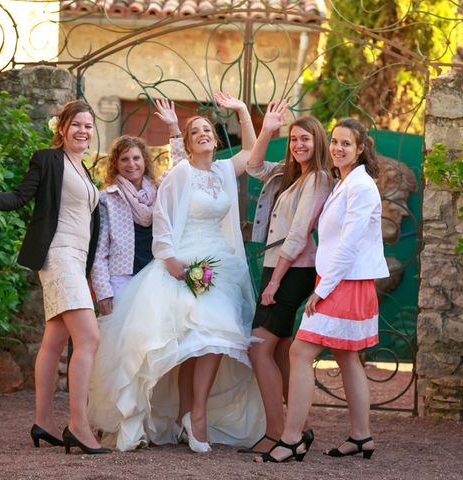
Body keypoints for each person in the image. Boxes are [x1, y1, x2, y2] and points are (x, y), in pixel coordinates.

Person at [87, 92, 265, 453]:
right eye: (194, 131)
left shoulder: (222, 171)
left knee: (210, 341)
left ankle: (192, 414)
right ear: (187, 143)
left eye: (206, 130)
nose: (201, 133)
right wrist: (168, 259)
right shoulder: (181, 173)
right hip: (185, 264)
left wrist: (244, 111)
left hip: (221, 266)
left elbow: (252, 154)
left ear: (215, 139)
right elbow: (163, 217)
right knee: (196, 342)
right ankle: (193, 416)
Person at [0, 99, 111, 455]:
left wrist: (89, 274)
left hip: (76, 261)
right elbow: (21, 197)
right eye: (77, 124)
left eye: (88, 125)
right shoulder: (48, 159)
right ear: (62, 128)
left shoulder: (86, 171)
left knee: (54, 341)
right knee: (89, 339)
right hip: (58, 255)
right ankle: (79, 426)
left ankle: (44, 421)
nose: (83, 130)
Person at [257, 117, 389, 463]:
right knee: (347, 356)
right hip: (338, 279)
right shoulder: (342, 182)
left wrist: (323, 289)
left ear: (360, 149)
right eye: (334, 141)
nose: (338, 148)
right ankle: (361, 436)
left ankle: (291, 439)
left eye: (346, 143)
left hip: (345, 282)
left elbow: (348, 245)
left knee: (299, 352)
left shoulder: (361, 187)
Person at [238, 99, 332, 455]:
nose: (298, 145)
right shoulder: (292, 173)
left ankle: (278, 432)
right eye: (293, 139)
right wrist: (267, 130)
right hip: (278, 266)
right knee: (276, 351)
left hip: (293, 270)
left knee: (259, 346)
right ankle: (299, 429)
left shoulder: (319, 178)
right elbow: (254, 166)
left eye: (305, 139)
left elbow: (298, 233)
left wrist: (275, 281)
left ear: (318, 141)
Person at [91, 100, 184, 315]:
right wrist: (103, 292)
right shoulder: (108, 198)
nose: (131, 164)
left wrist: (173, 128)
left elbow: (181, 168)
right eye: (124, 159)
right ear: (115, 164)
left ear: (145, 161)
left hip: (156, 273)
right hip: (122, 279)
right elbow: (99, 251)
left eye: (136, 158)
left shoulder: (159, 190)